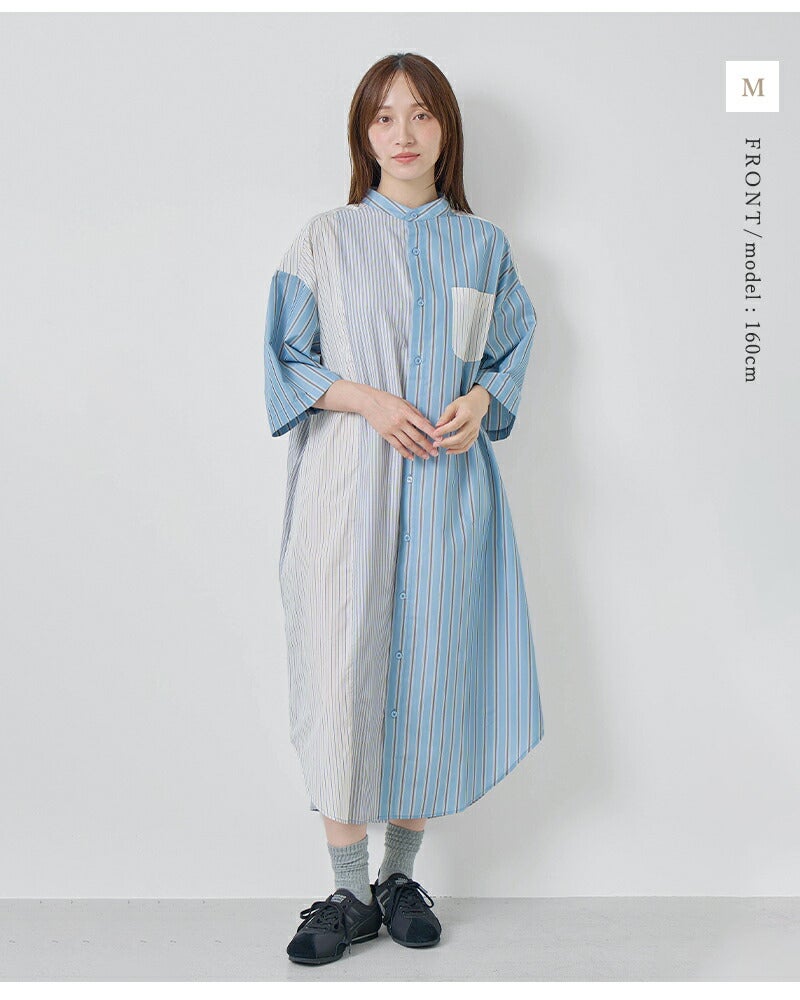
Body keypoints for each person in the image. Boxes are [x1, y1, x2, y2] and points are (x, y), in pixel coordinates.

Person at [263, 52, 544, 966]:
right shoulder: (324, 240)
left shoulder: (483, 247)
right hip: (346, 493)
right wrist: (370, 401)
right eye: (384, 117)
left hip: (447, 496)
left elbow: (508, 352)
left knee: (431, 672)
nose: (404, 133)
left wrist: (481, 402)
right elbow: (286, 360)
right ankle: (346, 891)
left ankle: (397, 877)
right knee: (339, 670)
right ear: (363, 135)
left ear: (446, 129)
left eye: (421, 113)